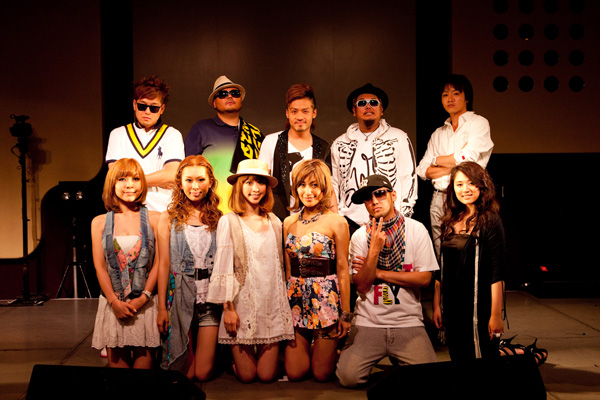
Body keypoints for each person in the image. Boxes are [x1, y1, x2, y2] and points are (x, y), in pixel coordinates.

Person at [336, 174, 438, 388]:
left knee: (428, 379)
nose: (374, 201)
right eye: (368, 198)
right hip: (368, 321)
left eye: (380, 194)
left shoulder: (416, 229)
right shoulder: (360, 236)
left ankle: (400, 359)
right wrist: (373, 250)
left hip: (407, 321)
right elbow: (362, 285)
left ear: (393, 195)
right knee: (348, 377)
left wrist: (378, 273)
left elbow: (424, 278)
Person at [206, 159, 294, 383]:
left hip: (270, 302)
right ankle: (231, 363)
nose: (255, 188)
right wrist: (228, 309)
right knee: (247, 376)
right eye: (249, 182)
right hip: (241, 304)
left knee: (266, 376)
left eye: (260, 183)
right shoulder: (229, 221)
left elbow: (280, 266)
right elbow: (223, 267)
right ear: (239, 186)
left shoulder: (275, 221)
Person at [283, 159, 351, 382]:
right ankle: (317, 351)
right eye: (302, 185)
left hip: (325, 299)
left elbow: (343, 269)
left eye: (314, 185)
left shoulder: (337, 222)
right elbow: (287, 270)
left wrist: (346, 314)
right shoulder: (288, 222)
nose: (308, 191)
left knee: (321, 375)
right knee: (295, 373)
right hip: (296, 298)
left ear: (324, 188)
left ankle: (331, 352)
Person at [156, 155, 223, 380]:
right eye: (189, 180)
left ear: (210, 182)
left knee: (201, 374)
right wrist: (162, 308)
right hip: (179, 296)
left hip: (209, 300)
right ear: (180, 183)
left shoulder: (219, 218)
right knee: (182, 372)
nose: (195, 186)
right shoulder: (168, 218)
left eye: (201, 180)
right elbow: (163, 264)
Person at [91, 158, 161, 368]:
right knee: (119, 379)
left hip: (145, 305)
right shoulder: (99, 222)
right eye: (122, 179)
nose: (129, 184)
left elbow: (159, 263)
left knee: (142, 376)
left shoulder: (156, 218)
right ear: (112, 184)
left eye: (135, 179)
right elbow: (100, 267)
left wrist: (144, 298)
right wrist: (114, 302)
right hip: (114, 305)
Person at [432, 162, 505, 361]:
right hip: (453, 305)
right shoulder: (450, 221)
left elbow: (497, 272)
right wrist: (437, 306)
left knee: (481, 360)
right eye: (459, 184)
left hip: (478, 305)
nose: (465, 189)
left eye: (471, 183)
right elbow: (440, 269)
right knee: (458, 357)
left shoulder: (489, 220)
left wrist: (496, 315)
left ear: (482, 186)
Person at [416, 74, 494, 258]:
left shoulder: (478, 123)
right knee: (441, 254)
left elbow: (470, 158)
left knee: (470, 253)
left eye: (456, 93)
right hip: (440, 197)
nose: (450, 98)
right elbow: (422, 170)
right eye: (445, 95)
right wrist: (456, 163)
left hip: (467, 197)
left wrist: (436, 160)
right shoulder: (438, 133)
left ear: (467, 98)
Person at [331, 83, 417, 236]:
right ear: (354, 110)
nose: (368, 106)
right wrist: (337, 217)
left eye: (373, 102)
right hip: (349, 221)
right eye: (362, 103)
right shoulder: (339, 143)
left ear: (381, 109)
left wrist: (402, 216)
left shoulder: (399, 137)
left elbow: (408, 177)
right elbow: (334, 183)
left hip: (391, 220)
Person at [184, 75, 264, 214]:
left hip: (246, 210)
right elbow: (186, 170)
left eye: (235, 93)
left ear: (241, 100)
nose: (229, 96)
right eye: (222, 94)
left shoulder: (254, 134)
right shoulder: (201, 129)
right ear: (214, 103)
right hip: (209, 210)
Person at [105, 75, 185, 212]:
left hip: (163, 210)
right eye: (142, 106)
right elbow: (115, 177)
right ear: (134, 105)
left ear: (162, 109)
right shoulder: (118, 134)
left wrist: (131, 181)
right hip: (126, 210)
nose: (147, 112)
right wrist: (157, 180)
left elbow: (172, 175)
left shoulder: (172, 135)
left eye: (153, 108)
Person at [259, 83, 332, 221]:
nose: (299, 117)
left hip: (315, 222)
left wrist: (334, 220)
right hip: (275, 219)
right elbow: (261, 183)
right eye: (294, 111)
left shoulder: (323, 147)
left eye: (305, 111)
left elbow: (329, 191)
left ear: (314, 113)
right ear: (287, 113)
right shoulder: (271, 141)